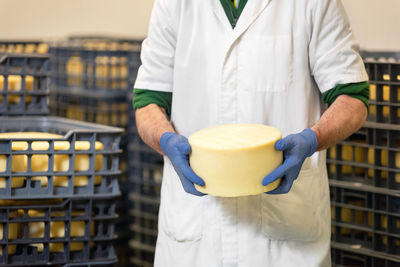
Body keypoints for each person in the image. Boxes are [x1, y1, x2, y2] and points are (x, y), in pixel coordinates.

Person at [133, 0, 369, 266]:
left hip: (285, 238)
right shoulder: (173, 4)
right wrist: (165, 140)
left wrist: (312, 139)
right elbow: (147, 102)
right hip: (196, 234)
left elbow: (353, 99)